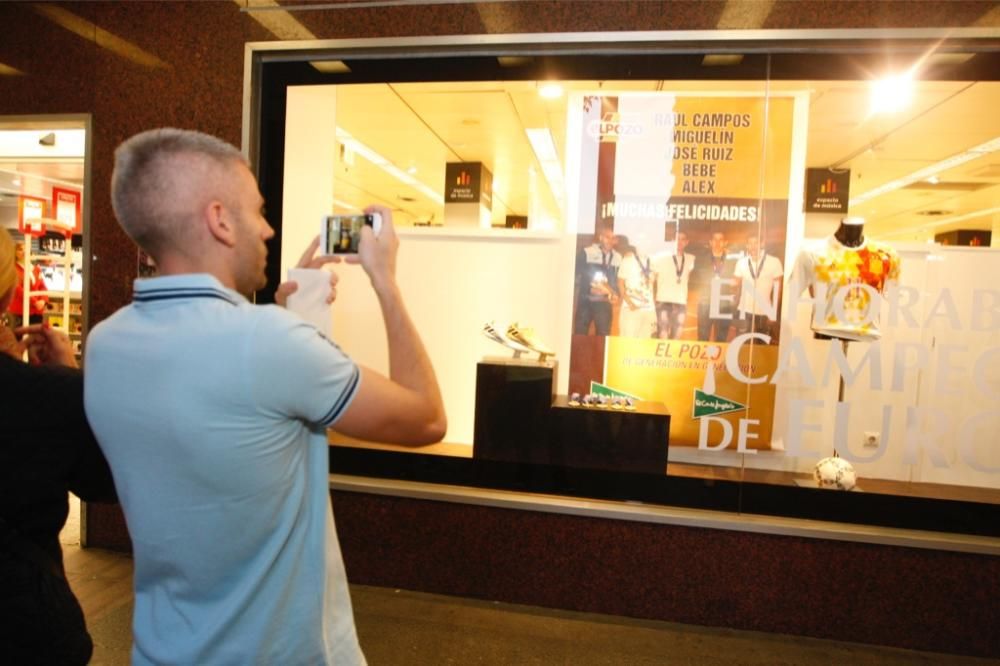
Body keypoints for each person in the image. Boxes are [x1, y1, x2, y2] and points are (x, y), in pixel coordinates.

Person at [83, 128, 447, 665]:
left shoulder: (105, 343)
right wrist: (385, 280)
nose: (268, 228)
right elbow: (426, 418)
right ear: (220, 220)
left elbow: (235, 417)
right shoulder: (268, 344)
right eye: (256, 211)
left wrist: (294, 319)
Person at [0, 227, 117, 665]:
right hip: (21, 624)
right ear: (10, 291)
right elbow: (104, 482)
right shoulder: (46, 395)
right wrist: (68, 379)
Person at [733, 235, 783, 341]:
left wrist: (773, 313)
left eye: (756, 242)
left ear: (762, 244)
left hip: (764, 312)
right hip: (744, 311)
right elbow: (735, 284)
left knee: (762, 346)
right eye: (750, 243)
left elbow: (778, 289)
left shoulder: (774, 262)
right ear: (746, 245)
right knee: (741, 345)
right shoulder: (741, 262)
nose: (753, 246)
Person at [573, 223, 620, 336]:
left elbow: (618, 280)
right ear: (601, 238)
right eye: (607, 237)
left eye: (613, 238)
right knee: (580, 335)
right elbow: (574, 275)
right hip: (586, 301)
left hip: (604, 303)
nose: (610, 241)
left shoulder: (618, 257)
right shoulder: (587, 252)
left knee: (603, 339)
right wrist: (588, 289)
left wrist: (614, 293)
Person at [691, 230, 737, 342]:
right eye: (715, 239)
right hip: (706, 301)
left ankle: (717, 360)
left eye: (721, 240)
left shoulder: (732, 260)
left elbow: (736, 280)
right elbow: (695, 279)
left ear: (725, 243)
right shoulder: (700, 260)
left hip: (724, 302)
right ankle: (702, 360)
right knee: (703, 336)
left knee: (721, 337)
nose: (717, 242)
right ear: (710, 242)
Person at [651, 229, 695, 339]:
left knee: (676, 337)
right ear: (672, 241)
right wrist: (651, 301)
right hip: (663, 301)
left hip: (680, 303)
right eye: (676, 239)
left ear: (687, 242)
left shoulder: (691, 259)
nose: (679, 242)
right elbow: (651, 280)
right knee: (663, 335)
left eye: (682, 239)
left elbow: (687, 277)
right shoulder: (660, 257)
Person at [615, 235, 656, 338]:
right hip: (631, 307)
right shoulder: (628, 260)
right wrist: (629, 302)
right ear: (635, 245)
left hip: (648, 309)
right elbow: (620, 282)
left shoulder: (653, 262)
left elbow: (652, 285)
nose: (644, 246)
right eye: (641, 243)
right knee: (628, 340)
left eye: (647, 243)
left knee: (645, 340)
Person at [8, 239, 49, 325]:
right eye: (20, 249)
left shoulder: (36, 269)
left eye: (26, 249)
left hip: (37, 312)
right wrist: (35, 302)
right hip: (20, 312)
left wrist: (43, 300)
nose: (24, 251)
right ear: (14, 253)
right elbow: (18, 290)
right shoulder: (13, 269)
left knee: (35, 337)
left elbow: (43, 287)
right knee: (19, 337)